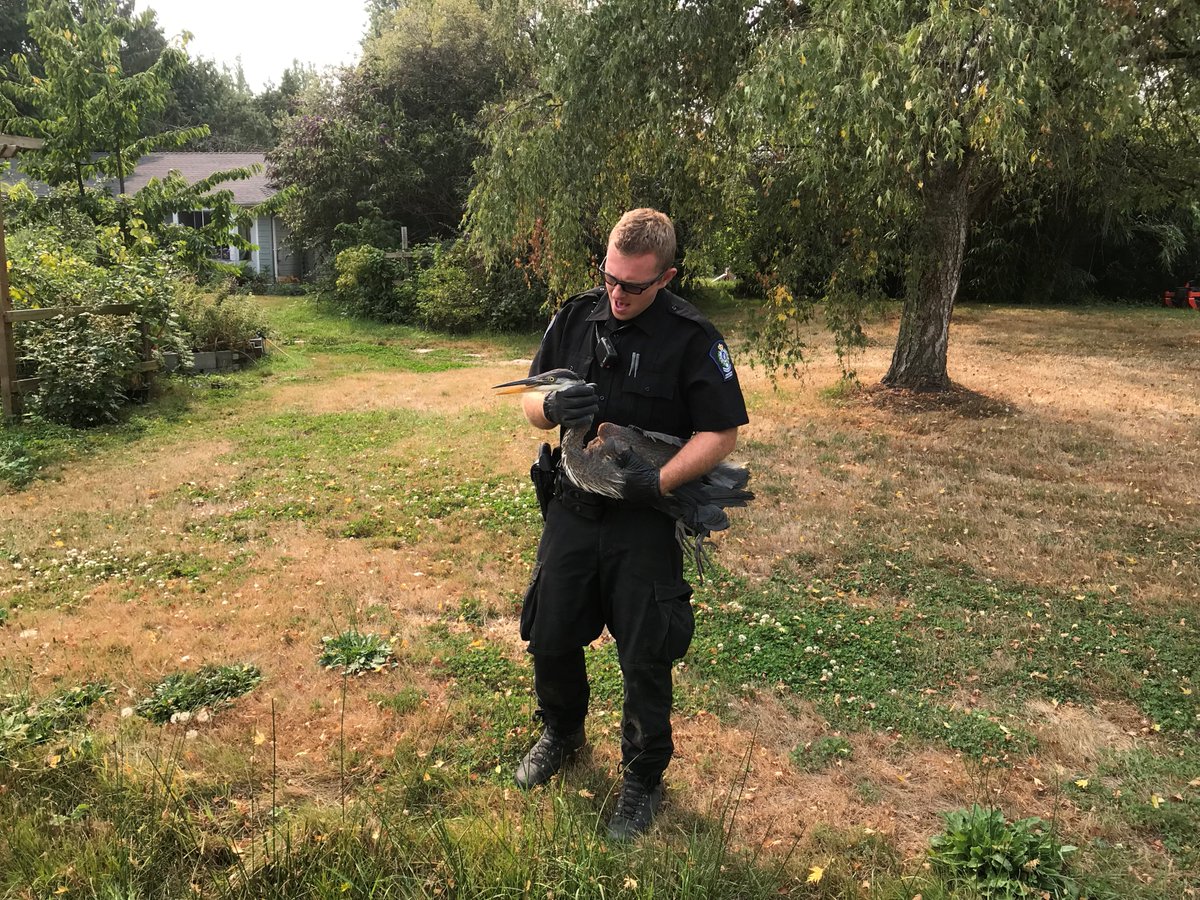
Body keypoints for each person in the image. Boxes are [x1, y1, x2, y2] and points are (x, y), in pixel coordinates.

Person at [512, 208, 749, 840]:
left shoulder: (692, 338)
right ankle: (560, 733)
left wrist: (658, 482)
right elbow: (530, 402)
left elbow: (720, 432)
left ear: (666, 277)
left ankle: (642, 779)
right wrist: (550, 406)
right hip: (571, 508)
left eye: (634, 286)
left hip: (642, 520)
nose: (616, 295)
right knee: (552, 632)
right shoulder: (574, 316)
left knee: (646, 655)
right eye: (610, 278)